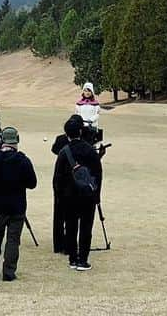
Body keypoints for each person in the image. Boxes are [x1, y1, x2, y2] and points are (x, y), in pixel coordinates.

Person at [0, 126, 37, 282]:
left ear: (2, 141)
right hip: (17, 206)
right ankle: (9, 271)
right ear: (16, 141)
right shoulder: (23, 160)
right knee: (13, 240)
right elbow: (32, 183)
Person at [53, 115, 102, 271]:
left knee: (71, 227)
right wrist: (97, 196)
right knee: (86, 228)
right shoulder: (90, 150)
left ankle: (73, 258)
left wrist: (59, 196)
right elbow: (98, 175)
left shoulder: (63, 152)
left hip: (68, 196)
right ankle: (83, 259)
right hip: (87, 195)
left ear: (66, 133)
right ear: (81, 131)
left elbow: (57, 178)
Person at [50, 114, 84, 253]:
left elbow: (54, 150)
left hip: (60, 181)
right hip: (76, 182)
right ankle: (70, 245)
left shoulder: (60, 140)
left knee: (58, 214)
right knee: (73, 216)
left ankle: (58, 244)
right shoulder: (83, 142)